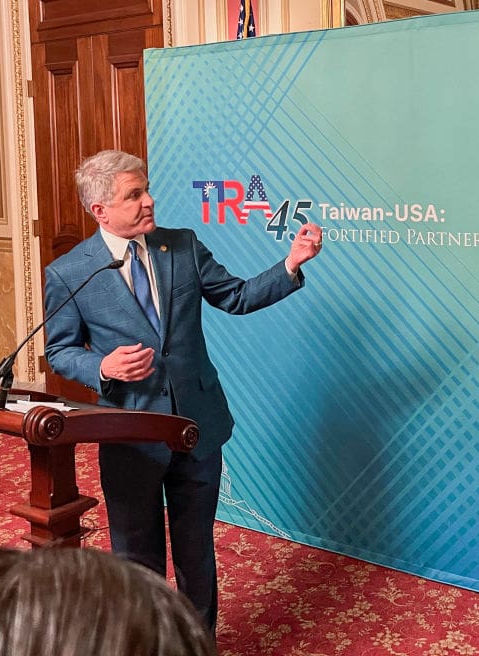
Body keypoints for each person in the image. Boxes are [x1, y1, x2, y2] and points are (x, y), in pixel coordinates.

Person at [43, 149, 322, 634]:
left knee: (196, 548)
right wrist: (102, 366)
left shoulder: (184, 246)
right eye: (134, 195)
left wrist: (291, 264)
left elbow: (235, 297)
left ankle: (198, 642)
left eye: (146, 189)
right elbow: (60, 349)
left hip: (197, 425)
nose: (149, 201)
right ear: (100, 211)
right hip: (131, 432)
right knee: (136, 553)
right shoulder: (70, 272)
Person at [0, 546, 217, 655]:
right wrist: (104, 382)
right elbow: (79, 381)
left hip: (201, 437)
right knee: (136, 555)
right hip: (129, 446)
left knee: (196, 556)